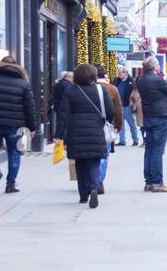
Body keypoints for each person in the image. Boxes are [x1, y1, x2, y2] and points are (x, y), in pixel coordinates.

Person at [55, 64, 119, 209]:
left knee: (80, 163)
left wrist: (59, 134)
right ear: (93, 76)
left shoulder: (70, 91)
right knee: (94, 161)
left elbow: (63, 115)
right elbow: (110, 111)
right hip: (96, 130)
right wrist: (105, 121)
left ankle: (83, 195)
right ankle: (94, 187)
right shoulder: (100, 90)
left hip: (75, 131)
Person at [0, 55, 39, 195]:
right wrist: (31, 127)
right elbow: (29, 108)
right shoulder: (23, 84)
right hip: (16, 125)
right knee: (15, 153)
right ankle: (10, 185)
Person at [136, 57, 167, 193]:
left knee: (149, 150)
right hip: (160, 117)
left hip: (148, 117)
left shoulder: (141, 80)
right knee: (158, 151)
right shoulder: (157, 80)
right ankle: (157, 182)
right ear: (155, 67)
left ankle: (149, 181)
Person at [95, 66, 124, 195]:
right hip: (106, 126)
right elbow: (118, 109)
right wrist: (119, 125)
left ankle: (91, 179)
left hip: (89, 126)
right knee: (104, 154)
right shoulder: (112, 89)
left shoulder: (86, 88)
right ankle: (99, 180)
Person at [115, 67, 140, 147]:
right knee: (120, 124)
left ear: (125, 73)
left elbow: (135, 93)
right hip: (118, 105)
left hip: (127, 105)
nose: (119, 74)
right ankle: (122, 141)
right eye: (118, 72)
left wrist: (134, 104)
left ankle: (135, 140)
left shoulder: (131, 81)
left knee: (131, 123)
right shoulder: (116, 81)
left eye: (120, 72)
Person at [50, 70, 73, 140]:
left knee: (60, 123)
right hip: (64, 107)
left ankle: (58, 137)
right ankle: (60, 138)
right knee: (64, 124)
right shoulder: (67, 86)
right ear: (69, 77)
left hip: (58, 106)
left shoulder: (59, 84)